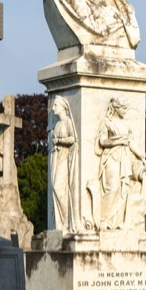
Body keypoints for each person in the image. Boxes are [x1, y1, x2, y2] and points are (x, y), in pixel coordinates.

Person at [87, 97, 146, 230]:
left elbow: (130, 142)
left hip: (124, 159)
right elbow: (102, 142)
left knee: (123, 189)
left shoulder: (126, 125)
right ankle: (104, 220)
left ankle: (117, 222)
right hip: (111, 157)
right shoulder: (107, 122)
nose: (125, 111)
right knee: (112, 187)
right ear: (115, 108)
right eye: (123, 108)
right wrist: (118, 141)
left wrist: (141, 155)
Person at [49, 96, 78, 232]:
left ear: (63, 107)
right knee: (55, 188)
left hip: (64, 157)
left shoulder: (67, 122)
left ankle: (66, 220)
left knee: (58, 188)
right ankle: (59, 223)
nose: (53, 108)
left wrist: (59, 140)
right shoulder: (58, 124)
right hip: (56, 156)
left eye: (55, 105)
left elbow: (73, 139)